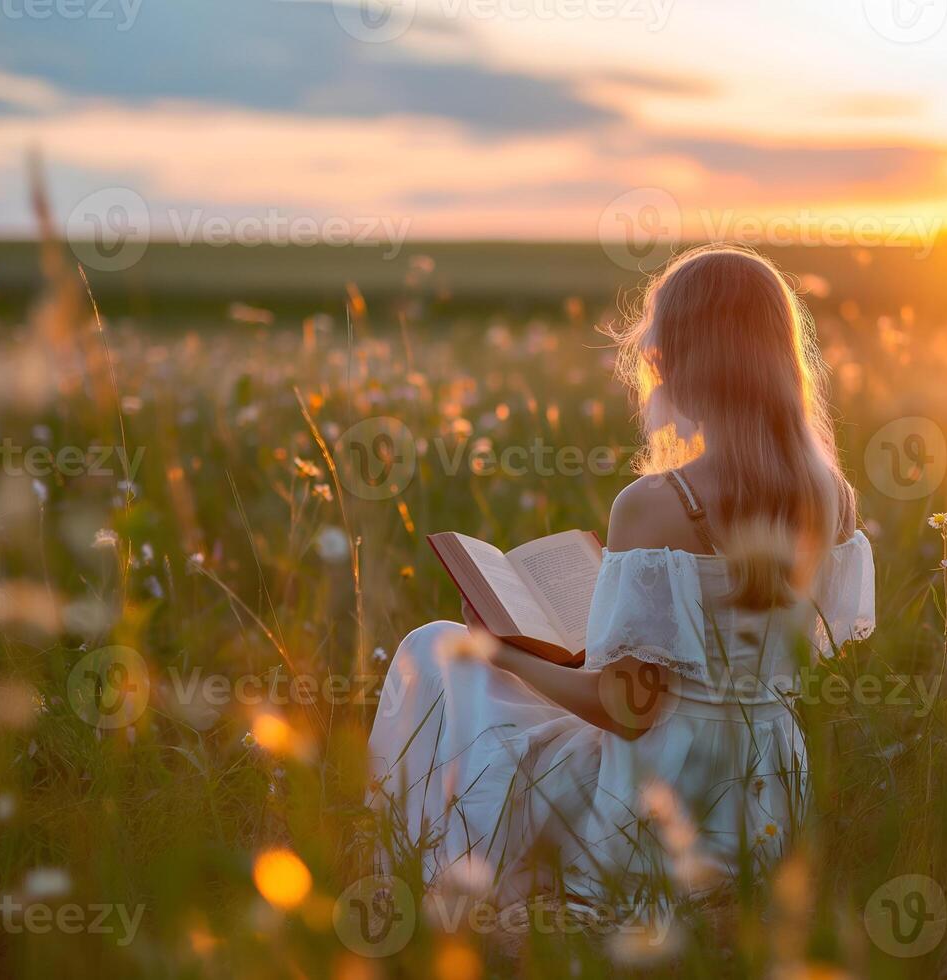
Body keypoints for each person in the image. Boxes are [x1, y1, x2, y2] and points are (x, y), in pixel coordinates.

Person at [367, 244, 875, 907]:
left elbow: (624, 710)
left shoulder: (657, 505)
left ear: (676, 357)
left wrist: (500, 648)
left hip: (661, 790)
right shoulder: (828, 496)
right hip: (766, 783)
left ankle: (426, 892)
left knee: (438, 652)